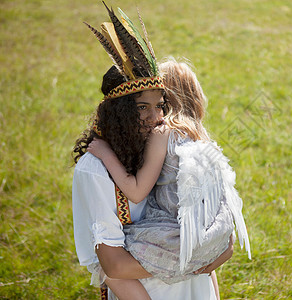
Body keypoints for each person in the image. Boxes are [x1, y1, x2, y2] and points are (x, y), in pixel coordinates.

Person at [73, 3, 238, 299]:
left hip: (188, 281)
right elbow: (112, 265)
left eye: (161, 106)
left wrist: (208, 251)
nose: (157, 118)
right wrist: (194, 258)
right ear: (122, 112)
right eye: (142, 108)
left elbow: (211, 224)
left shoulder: (167, 147)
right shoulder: (96, 169)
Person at [87, 59, 251, 298]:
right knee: (202, 270)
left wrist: (105, 153)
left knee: (110, 268)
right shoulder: (200, 138)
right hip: (209, 234)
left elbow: (136, 191)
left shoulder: (162, 134)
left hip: (174, 235)